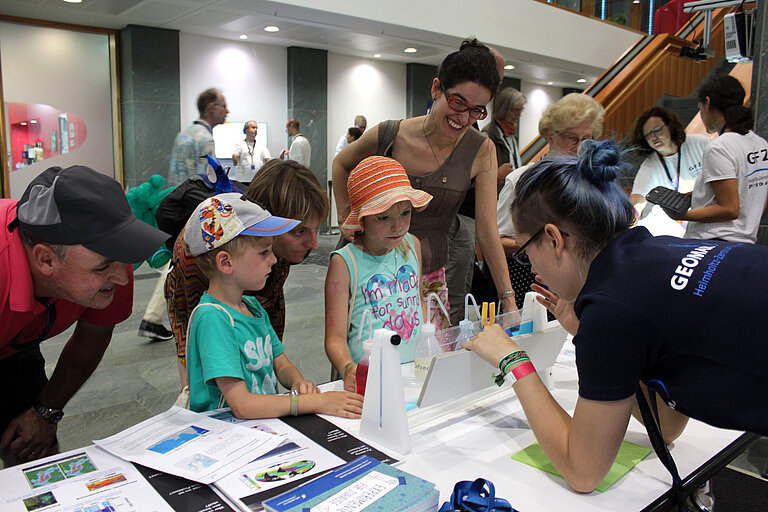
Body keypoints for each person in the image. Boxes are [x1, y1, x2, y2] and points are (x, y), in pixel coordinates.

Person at [464, 140, 768, 498]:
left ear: (553, 239)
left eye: (526, 253)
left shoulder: (611, 307)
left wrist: (514, 361)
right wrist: (588, 335)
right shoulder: (655, 251)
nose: (531, 266)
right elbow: (667, 424)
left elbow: (583, 471)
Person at [333, 39, 516, 329]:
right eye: (457, 103)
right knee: (365, 355)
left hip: (429, 274)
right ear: (436, 89)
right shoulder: (390, 134)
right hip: (370, 269)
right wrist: (345, 215)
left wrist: (507, 297)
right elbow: (342, 163)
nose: (463, 118)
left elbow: (487, 229)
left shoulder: (481, 150)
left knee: (425, 360)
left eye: (476, 111)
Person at [0, 165, 169, 465]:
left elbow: (91, 340)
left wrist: (45, 410)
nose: (122, 278)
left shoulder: (114, 258)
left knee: (33, 457)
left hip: (17, 346)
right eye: (103, 266)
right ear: (45, 259)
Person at [183, 193, 363, 418]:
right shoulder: (213, 318)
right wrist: (313, 402)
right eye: (263, 252)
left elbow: (281, 365)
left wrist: (298, 382)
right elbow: (242, 405)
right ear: (226, 262)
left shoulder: (253, 307)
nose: (274, 260)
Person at [165, 160, 326, 386]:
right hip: (194, 287)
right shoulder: (201, 253)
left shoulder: (272, 251)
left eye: (315, 229)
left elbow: (271, 349)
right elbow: (196, 348)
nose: (314, 243)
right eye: (299, 232)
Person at [325, 156, 432, 392]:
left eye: (405, 213)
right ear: (362, 218)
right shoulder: (345, 262)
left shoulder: (412, 245)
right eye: (383, 217)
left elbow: (419, 299)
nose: (397, 226)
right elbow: (334, 338)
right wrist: (347, 368)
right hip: (371, 376)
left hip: (415, 371)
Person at [496, 93, 604, 308]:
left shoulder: (593, 180)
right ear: (549, 135)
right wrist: (538, 244)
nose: (580, 147)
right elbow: (496, 241)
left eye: (587, 139)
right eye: (572, 138)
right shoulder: (520, 180)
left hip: (580, 280)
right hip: (530, 279)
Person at [668, 75, 768, 244]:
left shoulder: (719, 147)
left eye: (699, 108)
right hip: (744, 242)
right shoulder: (760, 143)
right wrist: (695, 196)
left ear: (707, 103)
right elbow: (756, 192)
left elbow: (730, 209)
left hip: (712, 242)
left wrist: (683, 214)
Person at [629, 106, 710, 237]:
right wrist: (631, 216)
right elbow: (637, 200)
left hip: (706, 216)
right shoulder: (649, 166)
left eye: (657, 130)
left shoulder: (700, 143)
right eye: (648, 134)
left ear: (670, 127)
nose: (653, 137)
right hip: (674, 226)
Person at [168, 88, 229, 187]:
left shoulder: (183, 134)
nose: (227, 111)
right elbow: (207, 184)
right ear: (211, 108)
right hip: (192, 200)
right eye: (224, 106)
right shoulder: (205, 139)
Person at [482, 87, 527, 187]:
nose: (519, 115)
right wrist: (497, 175)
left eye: (521, 110)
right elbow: (479, 175)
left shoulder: (511, 136)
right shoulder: (488, 135)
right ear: (503, 109)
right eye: (515, 110)